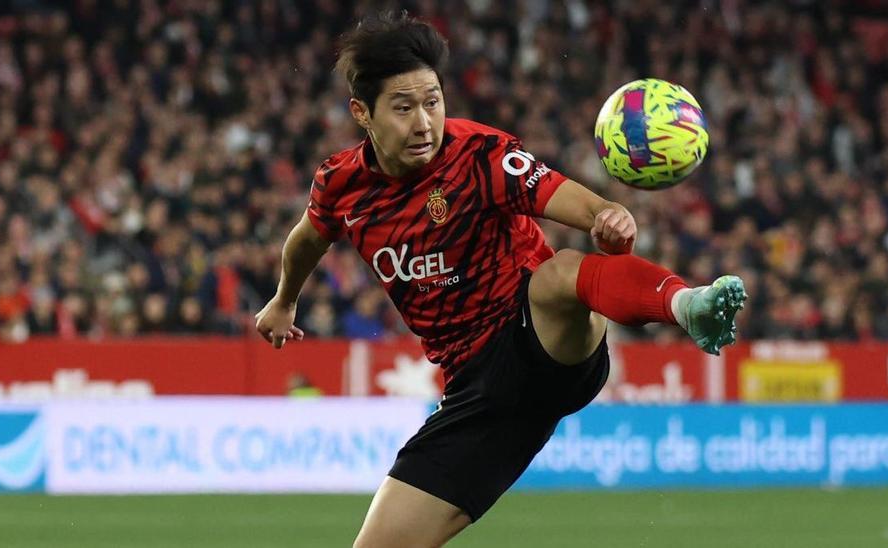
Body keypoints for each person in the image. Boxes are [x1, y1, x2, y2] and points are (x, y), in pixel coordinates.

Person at [253, 12, 746, 547]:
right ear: (362, 113)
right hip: (476, 395)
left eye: (433, 102)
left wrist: (605, 212)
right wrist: (283, 301)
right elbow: (307, 239)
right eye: (403, 107)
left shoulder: (478, 154)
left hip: (539, 339)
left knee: (556, 274)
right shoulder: (341, 184)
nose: (423, 123)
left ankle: (685, 304)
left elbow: (554, 193)